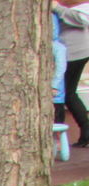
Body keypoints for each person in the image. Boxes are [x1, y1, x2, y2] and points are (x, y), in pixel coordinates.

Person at [52, 0, 89, 147]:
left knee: (67, 93)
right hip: (69, 53)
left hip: (75, 54)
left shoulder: (84, 5)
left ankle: (86, 132)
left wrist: (57, 8)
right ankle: (86, 132)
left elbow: (82, 19)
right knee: (68, 93)